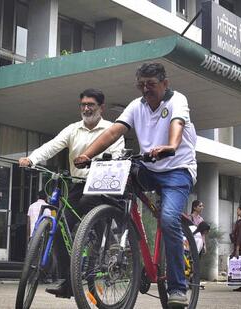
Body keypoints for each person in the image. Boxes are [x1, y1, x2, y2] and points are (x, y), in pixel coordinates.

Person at [74, 62, 197, 307]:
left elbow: (178, 124)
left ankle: (177, 288)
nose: (145, 90)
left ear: (165, 84)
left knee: (169, 219)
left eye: (150, 85)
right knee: (115, 182)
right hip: (148, 168)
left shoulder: (177, 100)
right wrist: (87, 154)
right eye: (141, 85)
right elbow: (113, 132)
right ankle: (119, 229)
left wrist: (171, 147)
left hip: (177, 171)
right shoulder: (136, 106)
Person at [18, 88, 124, 298]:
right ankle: (68, 281)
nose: (86, 108)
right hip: (78, 184)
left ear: (101, 107)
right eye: (83, 104)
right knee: (57, 227)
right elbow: (51, 146)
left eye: (91, 105)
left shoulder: (112, 129)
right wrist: (32, 159)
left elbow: (118, 155)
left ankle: (105, 239)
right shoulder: (73, 129)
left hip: (103, 184)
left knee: (87, 204)